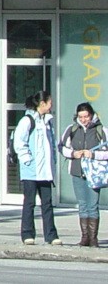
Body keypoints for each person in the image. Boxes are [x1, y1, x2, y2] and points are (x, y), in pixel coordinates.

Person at [14, 90, 60, 245]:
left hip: (45, 171)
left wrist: (53, 162)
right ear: (42, 103)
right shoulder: (28, 120)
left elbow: (51, 144)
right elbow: (19, 142)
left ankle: (51, 235)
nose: (51, 106)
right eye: (49, 103)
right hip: (31, 171)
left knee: (47, 203)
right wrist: (27, 160)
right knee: (30, 202)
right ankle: (27, 234)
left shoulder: (48, 122)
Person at [60, 101, 108, 246]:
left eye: (86, 116)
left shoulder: (101, 130)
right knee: (82, 204)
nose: (83, 120)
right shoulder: (72, 129)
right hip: (77, 172)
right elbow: (61, 147)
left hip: (95, 174)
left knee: (93, 204)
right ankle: (84, 237)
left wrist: (93, 155)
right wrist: (73, 153)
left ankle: (93, 238)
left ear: (91, 115)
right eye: (80, 117)